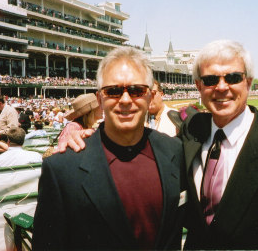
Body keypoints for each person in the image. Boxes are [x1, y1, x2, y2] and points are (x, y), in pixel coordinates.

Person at [58, 40, 258, 249]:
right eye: (211, 80)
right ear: (199, 86)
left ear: (249, 82)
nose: (222, 87)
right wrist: (85, 136)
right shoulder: (191, 132)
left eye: (232, 77)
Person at [32, 48, 186, 250]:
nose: (125, 100)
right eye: (113, 91)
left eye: (136, 90)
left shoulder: (175, 150)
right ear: (99, 99)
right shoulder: (61, 168)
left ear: (149, 97)